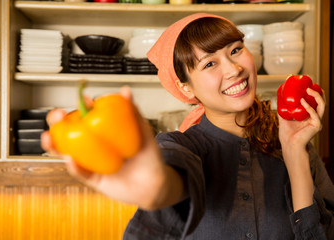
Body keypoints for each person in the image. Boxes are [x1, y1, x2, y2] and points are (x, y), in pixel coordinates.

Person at [41, 13, 334, 239]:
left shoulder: (294, 138)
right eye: (209, 64)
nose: (234, 69)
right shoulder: (183, 146)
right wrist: (158, 189)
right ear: (186, 87)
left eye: (235, 50)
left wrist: (295, 151)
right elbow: (174, 173)